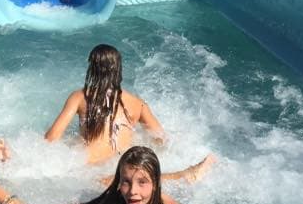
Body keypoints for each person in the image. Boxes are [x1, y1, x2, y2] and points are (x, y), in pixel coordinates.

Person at [44, 43, 215, 176]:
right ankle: (183, 173)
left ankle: (184, 175)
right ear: (118, 69)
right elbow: (161, 140)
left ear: (92, 69)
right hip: (122, 170)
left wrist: (69, 145)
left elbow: (51, 139)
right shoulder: (138, 104)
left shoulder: (80, 97)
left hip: (90, 171)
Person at [0, 144, 204, 204]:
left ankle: (190, 174)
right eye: (126, 183)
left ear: (155, 186)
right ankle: (9, 163)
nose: (133, 192)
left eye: (142, 183)